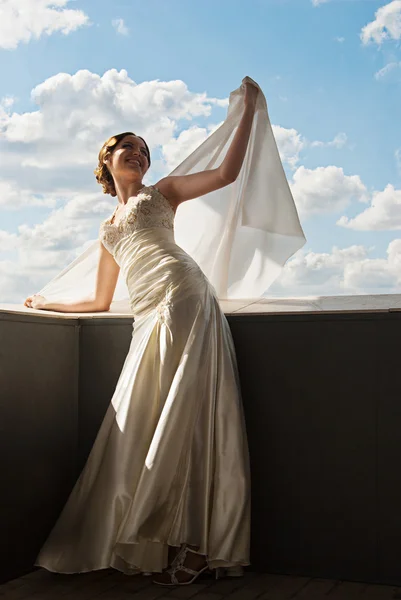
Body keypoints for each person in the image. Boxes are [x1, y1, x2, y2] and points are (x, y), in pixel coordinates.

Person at [24, 80, 259, 586]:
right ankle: (155, 539)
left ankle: (198, 547)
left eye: (144, 150)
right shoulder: (108, 228)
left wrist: (250, 114)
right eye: (128, 146)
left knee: (189, 416)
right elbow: (99, 300)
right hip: (148, 315)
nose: (138, 153)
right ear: (107, 160)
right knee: (145, 419)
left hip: (186, 298)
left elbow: (226, 172)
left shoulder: (164, 193)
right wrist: (47, 302)